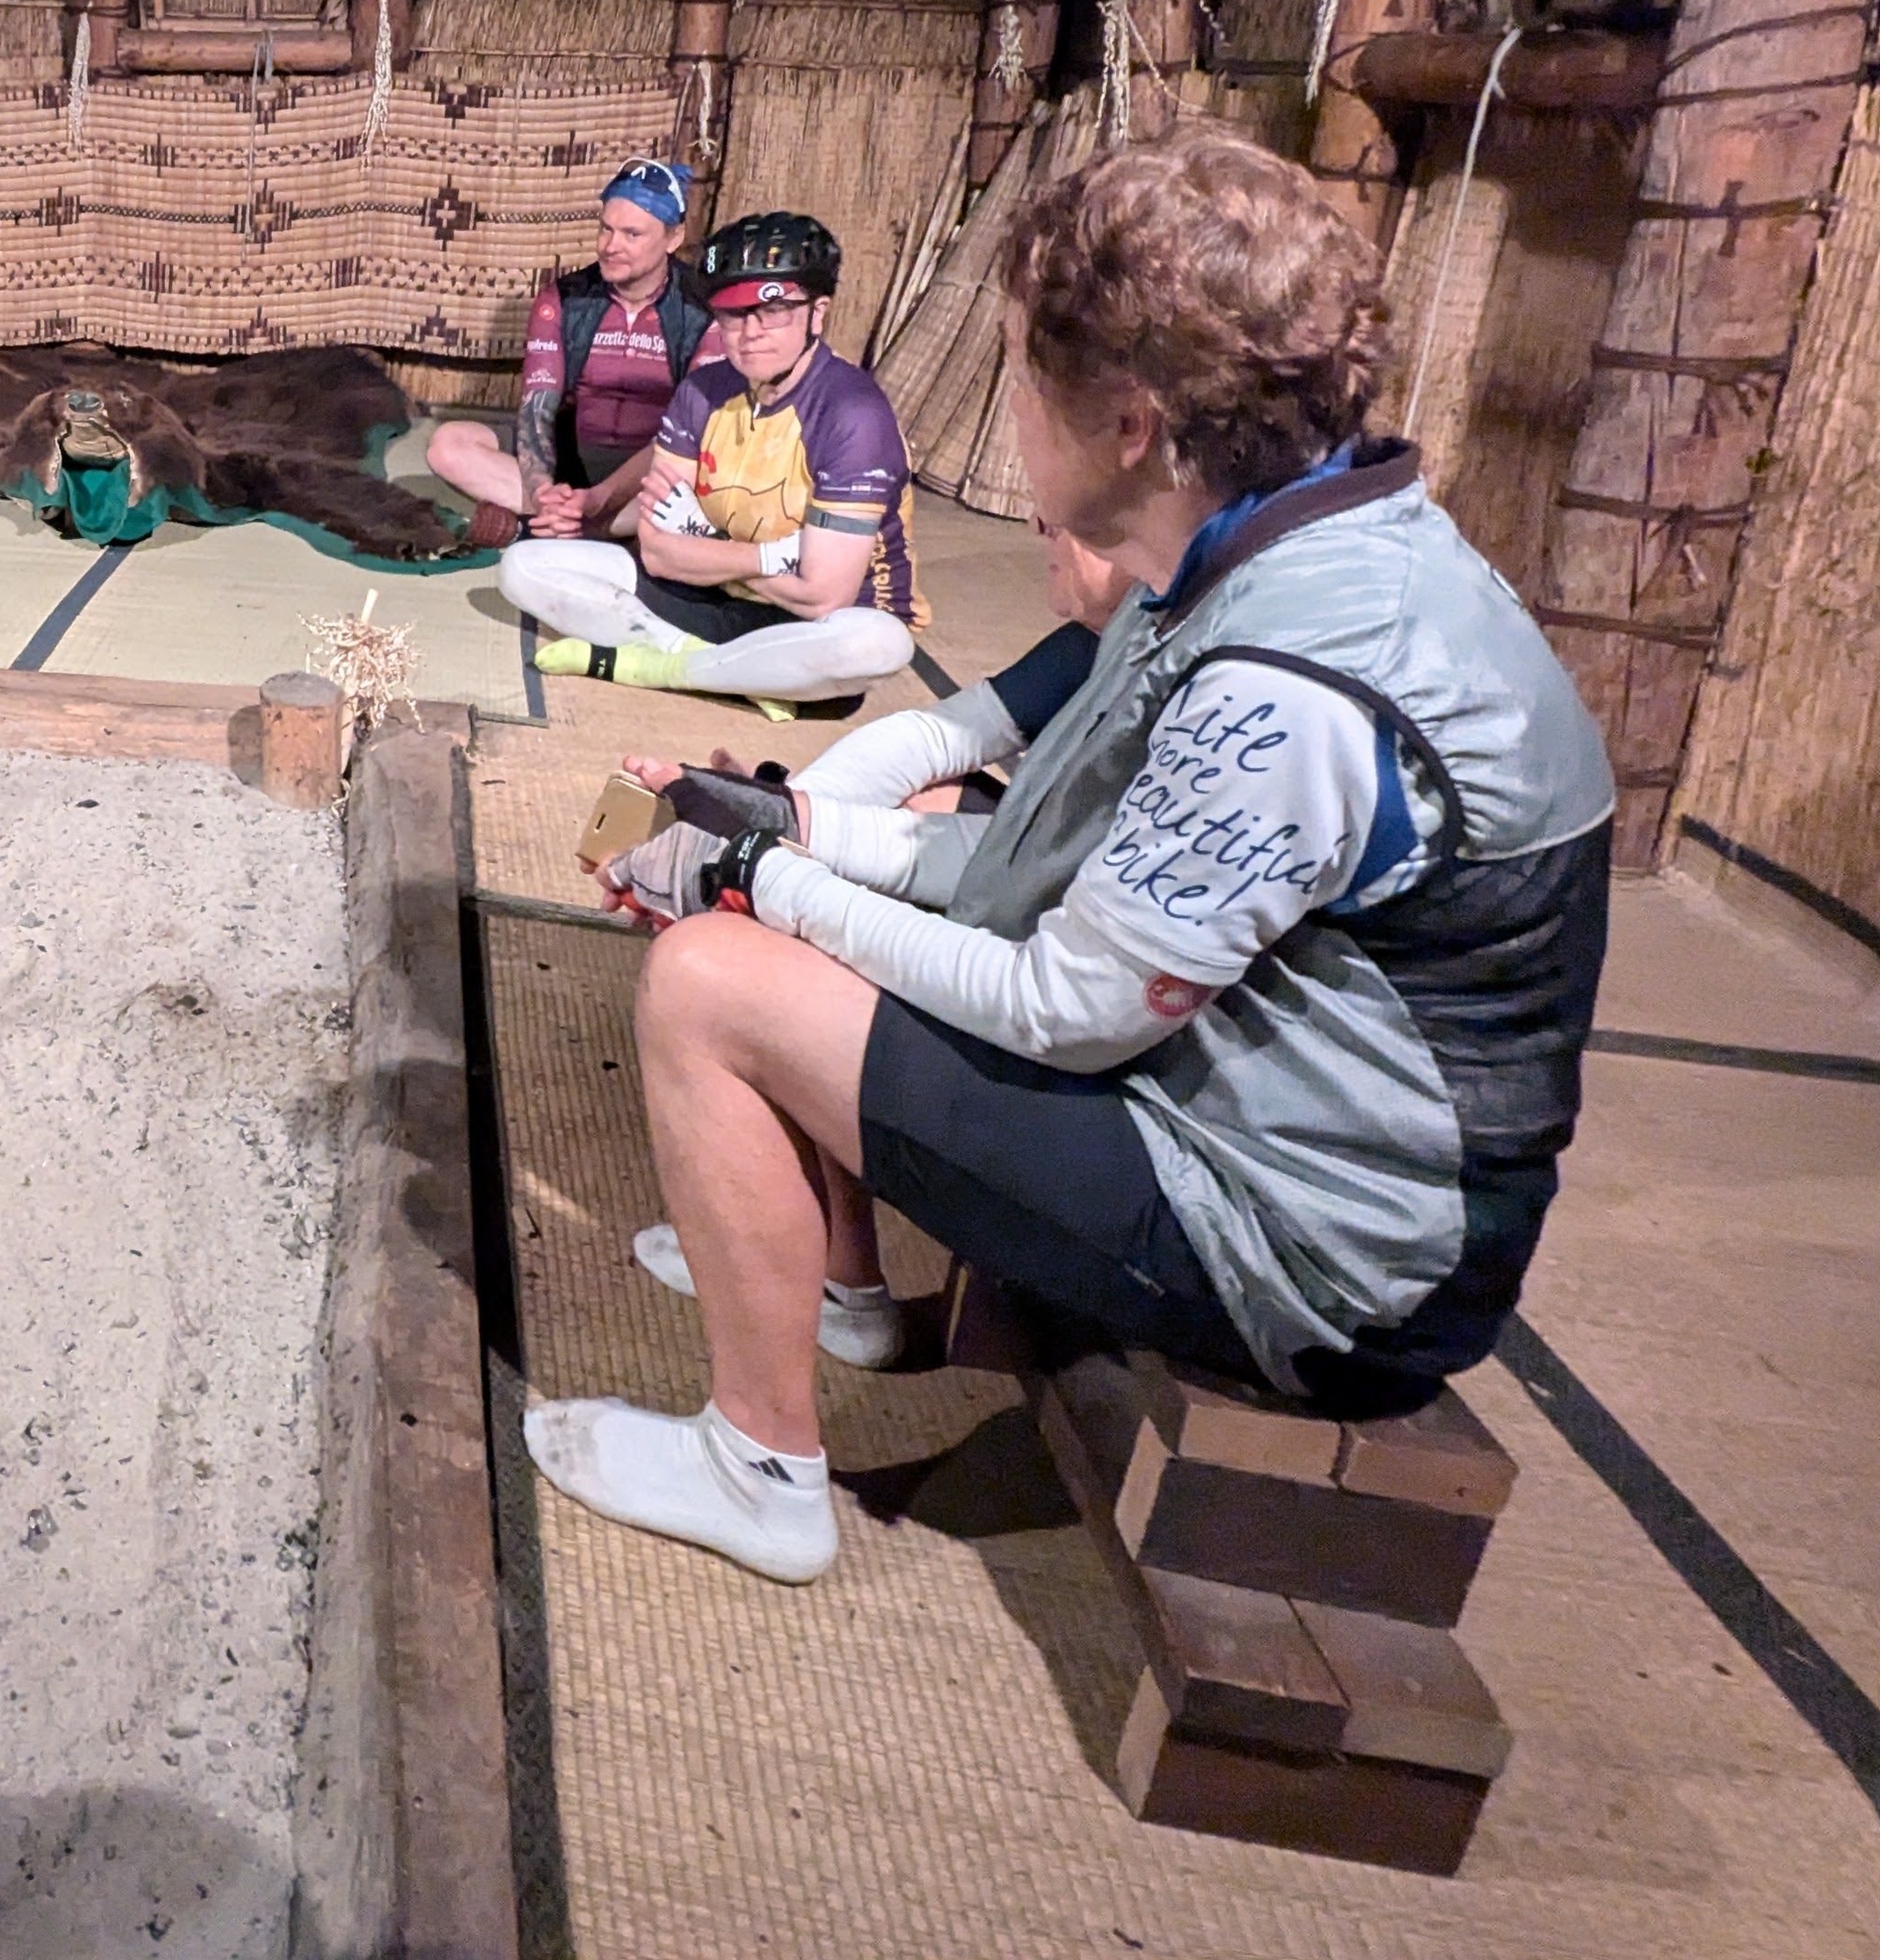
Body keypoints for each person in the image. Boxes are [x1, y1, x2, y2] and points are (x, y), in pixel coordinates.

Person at [524, 134, 1614, 1589]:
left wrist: (763, 890)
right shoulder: (1271, 555)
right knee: (786, 901)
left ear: (1125, 423)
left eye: (1027, 372)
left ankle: (758, 1467)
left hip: (1323, 1249)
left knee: (716, 980)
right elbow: (1033, 873)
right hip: (1245, 1106)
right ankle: (829, 1291)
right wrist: (787, 830)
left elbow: (1061, 1006)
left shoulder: (1291, 679)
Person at [600, 521, 1133, 1375]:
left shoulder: (1195, 663)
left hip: (1101, 1004)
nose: (1044, 525)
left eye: (1071, 514)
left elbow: (1060, 915)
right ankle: (820, 1261)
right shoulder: (1120, 627)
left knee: (767, 928)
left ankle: (829, 1282)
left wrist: (769, 858)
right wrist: (777, 815)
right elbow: (934, 739)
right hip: (1052, 922)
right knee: (899, 809)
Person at [503, 212, 922, 713]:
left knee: (879, 644)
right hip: (712, 597)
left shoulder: (854, 413)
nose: (750, 333)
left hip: (811, 628)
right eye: (732, 315)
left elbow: (823, 596)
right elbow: (657, 552)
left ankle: (665, 665)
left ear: (818, 311)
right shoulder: (704, 389)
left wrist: (703, 546)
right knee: (523, 566)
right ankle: (732, 673)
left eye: (773, 312)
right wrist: (773, 556)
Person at [427, 161, 713, 551]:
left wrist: (602, 498)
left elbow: (689, 429)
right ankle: (568, 522)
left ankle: (560, 530)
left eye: (632, 234)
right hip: (572, 465)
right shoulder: (565, 298)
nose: (611, 246)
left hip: (654, 471)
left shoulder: (703, 311)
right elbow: (535, 409)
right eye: (606, 229)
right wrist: (544, 491)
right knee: (449, 445)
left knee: (713, 483)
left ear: (673, 237)